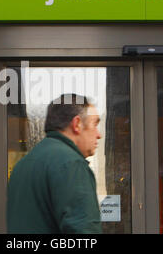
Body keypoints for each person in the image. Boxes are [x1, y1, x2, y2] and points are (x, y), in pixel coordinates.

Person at [7, 93, 103, 233]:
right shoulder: (71, 164)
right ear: (77, 124)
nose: (98, 134)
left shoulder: (23, 165)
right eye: (95, 124)